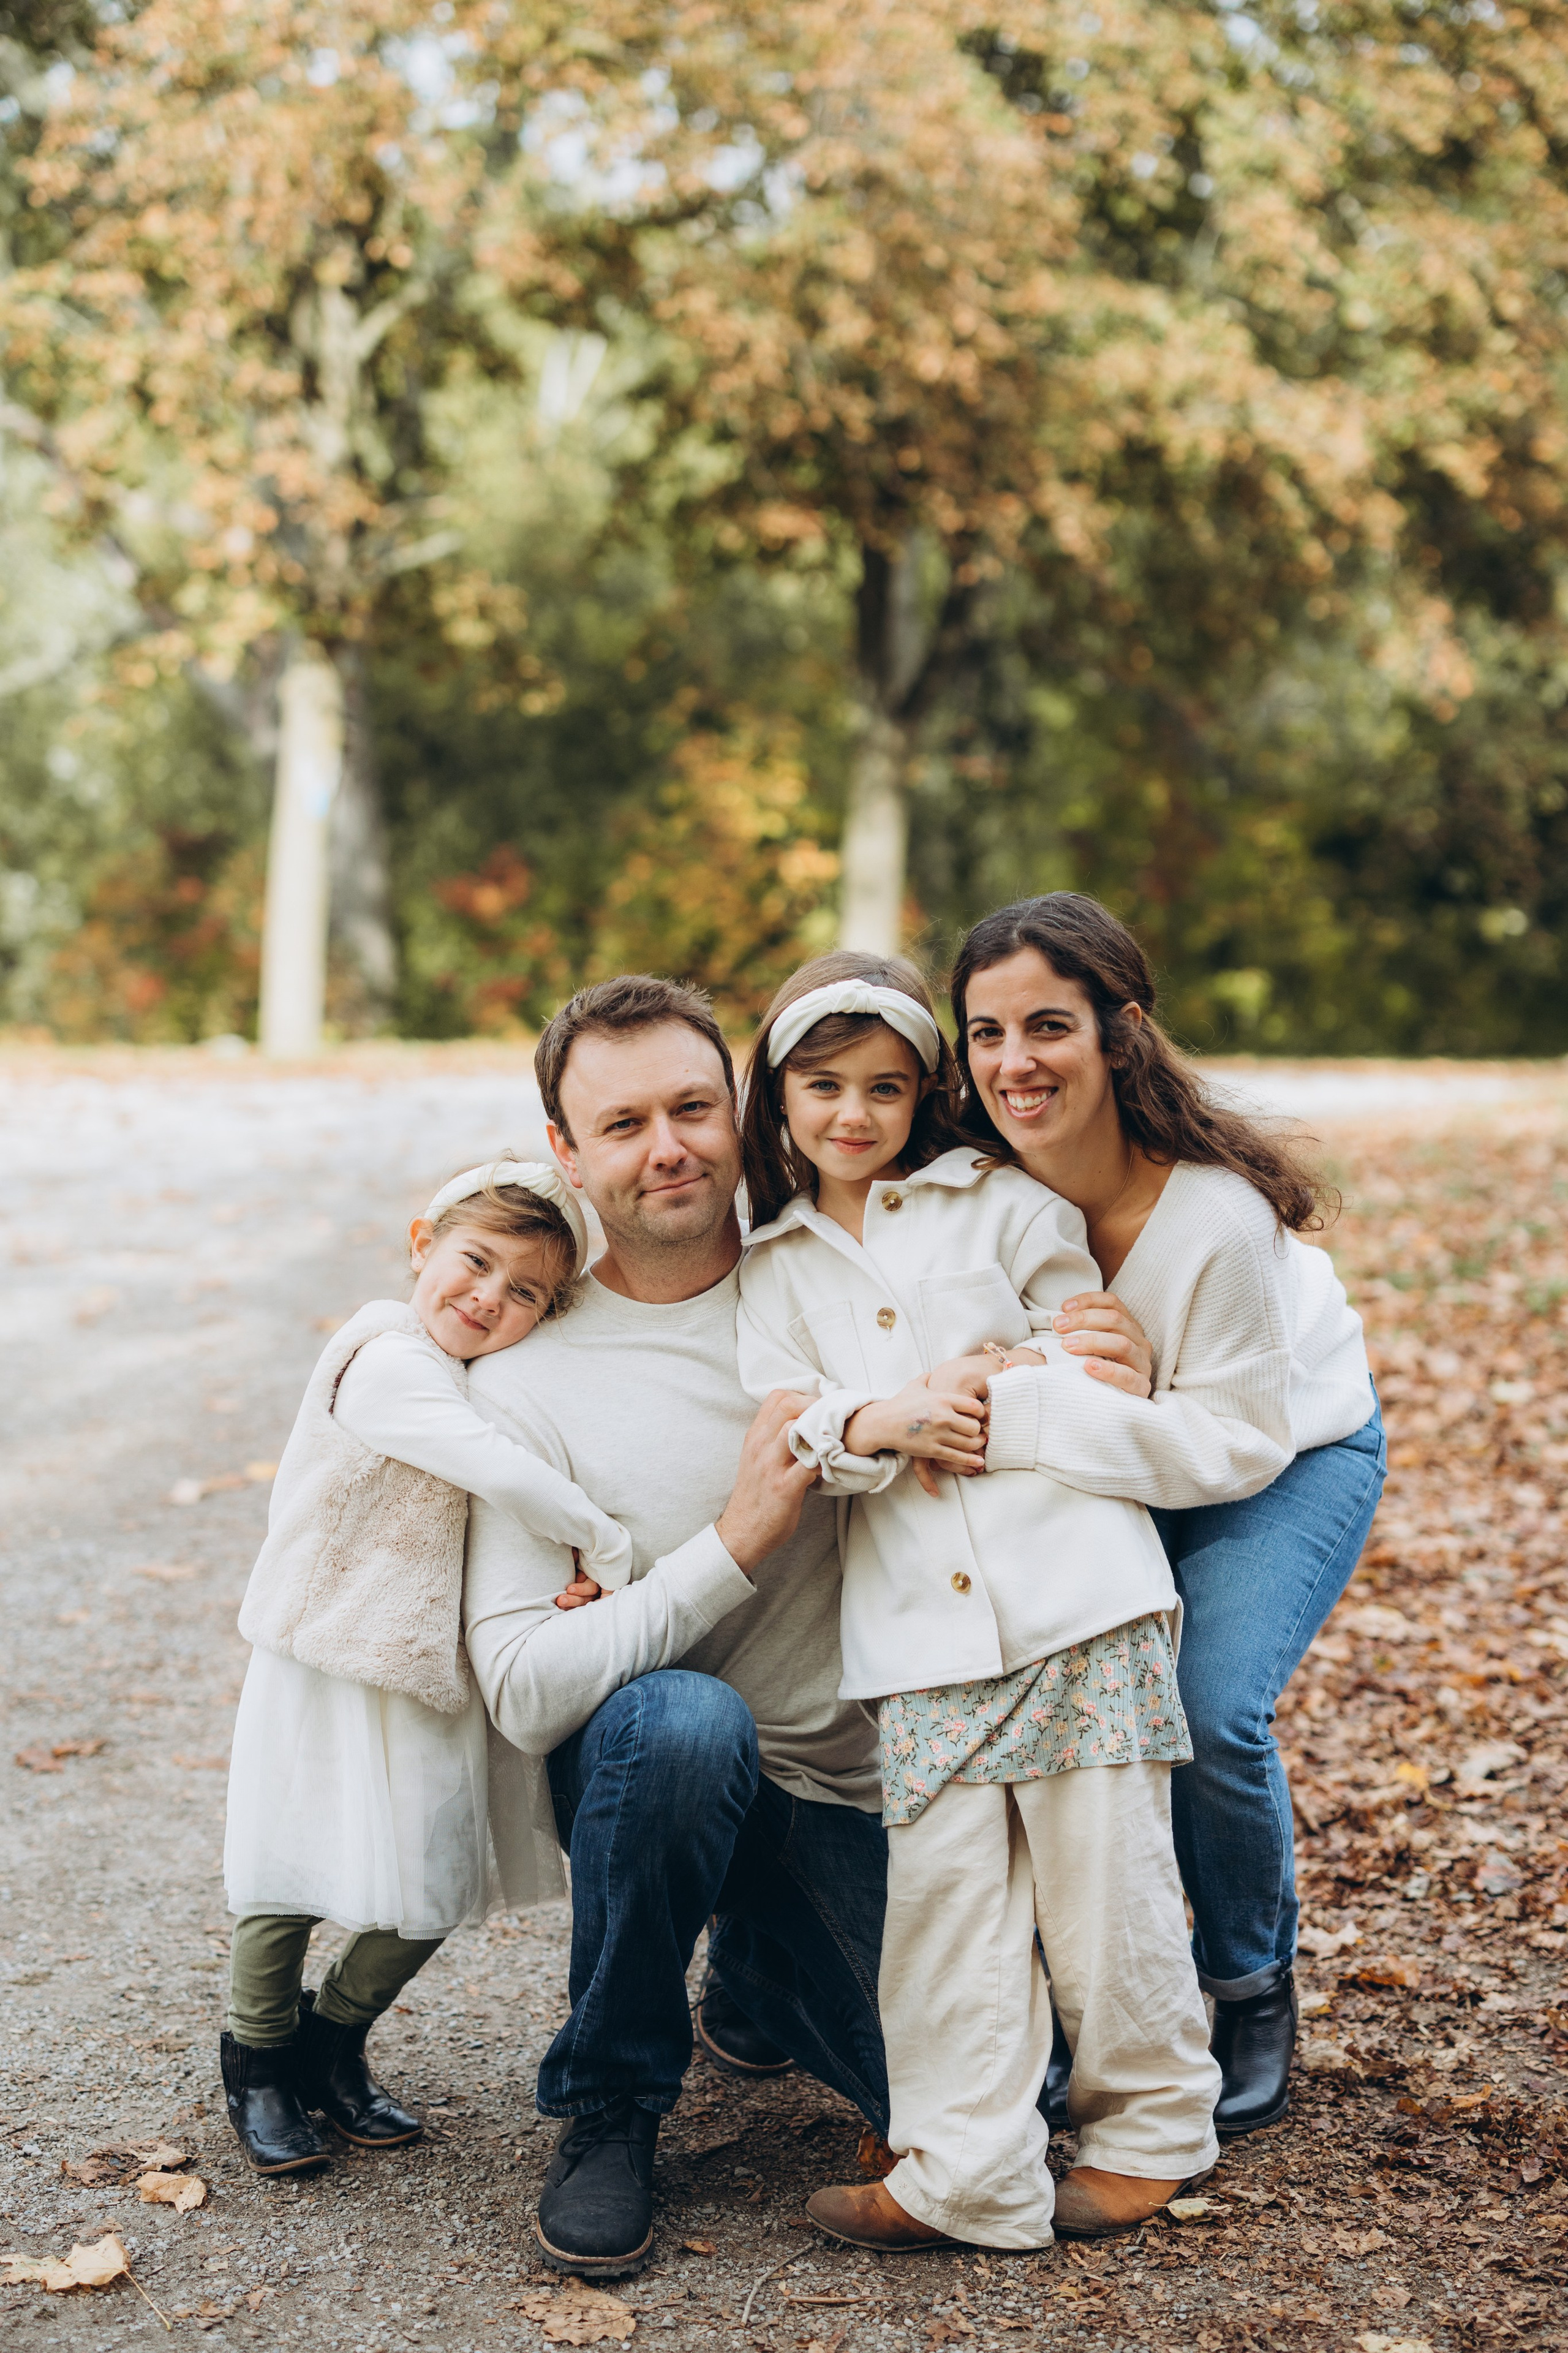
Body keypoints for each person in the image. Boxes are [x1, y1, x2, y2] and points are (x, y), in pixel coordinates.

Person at [731, 951, 1219, 2252]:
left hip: (1072, 1595)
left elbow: (1091, 1343)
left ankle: (1152, 2133)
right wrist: (882, 1416)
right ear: (776, 1096)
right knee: (947, 1909)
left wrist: (997, 1371)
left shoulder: (993, 1203)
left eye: (884, 1088)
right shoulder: (767, 1267)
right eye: (822, 1085)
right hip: (915, 1634)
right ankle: (967, 2166)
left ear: (921, 1095)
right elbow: (788, 1431)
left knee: (1101, 1887)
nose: (852, 1114)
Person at [459, 975, 889, 2281]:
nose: (669, 1148)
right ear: (566, 1153)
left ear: (739, 1110)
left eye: (695, 1107)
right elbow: (526, 1693)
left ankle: (755, 1974)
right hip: (657, 1764)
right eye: (625, 1121)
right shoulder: (525, 1373)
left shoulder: (834, 1283)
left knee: (1000, 2116)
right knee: (683, 1722)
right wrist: (731, 1546)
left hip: (854, 1784)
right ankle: (612, 2099)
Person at [948, 894, 1384, 2139]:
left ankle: (1246, 1983)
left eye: (1045, 1026)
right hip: (1131, 1455)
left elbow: (1232, 1440)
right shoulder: (973, 1187)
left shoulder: (1213, 1221)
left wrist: (1036, 1411)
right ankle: (1044, 2000)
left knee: (1203, 1704)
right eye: (983, 1033)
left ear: (1119, 1030)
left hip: (1284, 1453)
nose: (1012, 1063)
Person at [221, 1160, 633, 2177]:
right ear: (422, 1244)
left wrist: (554, 1580)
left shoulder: (484, 1377)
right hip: (327, 1654)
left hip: (426, 1668)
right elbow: (494, 1465)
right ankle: (259, 2055)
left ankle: (330, 2042)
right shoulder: (384, 1355)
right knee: (288, 1872)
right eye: (475, 1262)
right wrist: (604, 1545)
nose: (489, 1296)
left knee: (438, 1875)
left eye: (526, 1291)